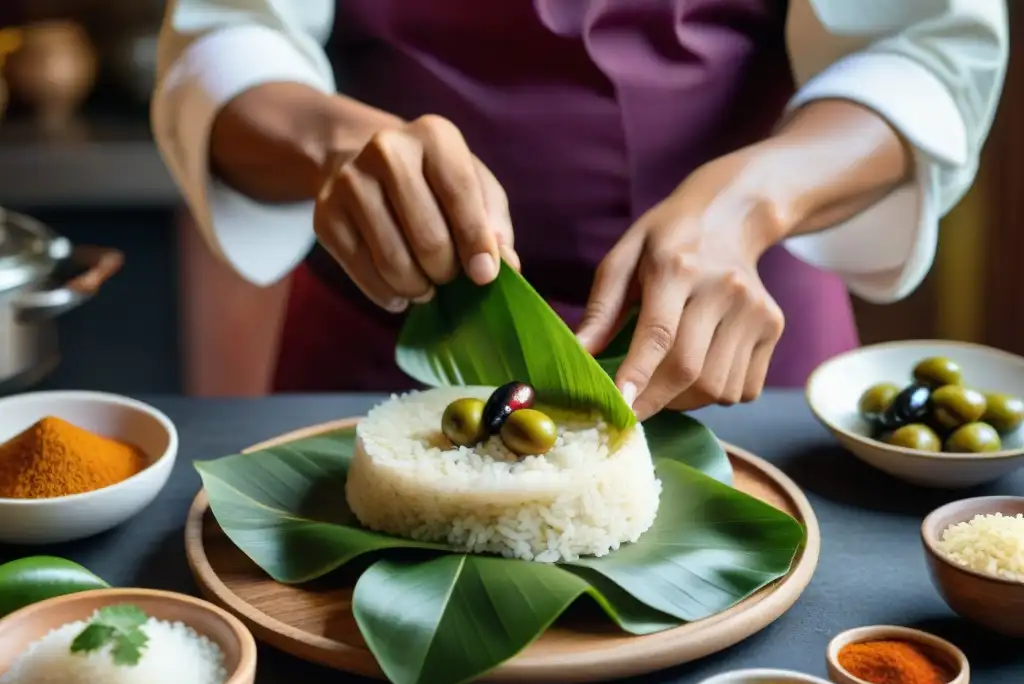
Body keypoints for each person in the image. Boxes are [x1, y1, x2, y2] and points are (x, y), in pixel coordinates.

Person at [153, 1, 1007, 420]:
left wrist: (748, 204)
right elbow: (225, 33)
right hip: (390, 339)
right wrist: (335, 143)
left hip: (733, 338)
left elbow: (925, 43)